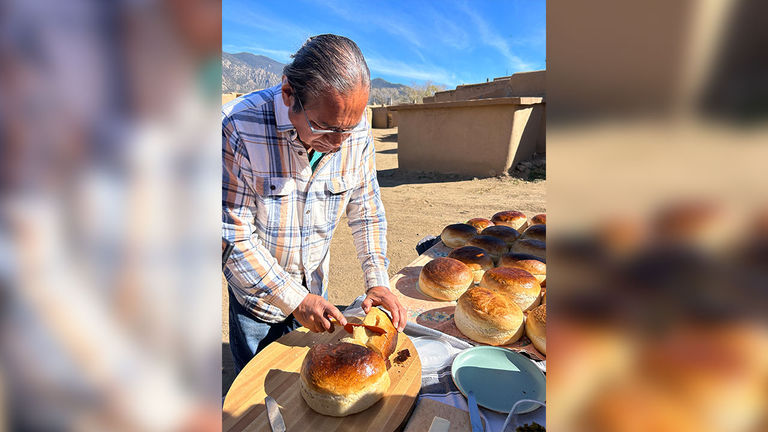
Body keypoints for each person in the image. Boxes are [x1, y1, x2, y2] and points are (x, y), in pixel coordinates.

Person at [222, 34, 407, 372]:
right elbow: (231, 236)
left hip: (315, 290)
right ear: (288, 92)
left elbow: (366, 208)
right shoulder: (236, 127)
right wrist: (294, 299)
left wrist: (377, 279)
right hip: (257, 303)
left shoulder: (356, 129)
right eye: (323, 127)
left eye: (347, 130)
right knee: (253, 403)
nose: (337, 144)